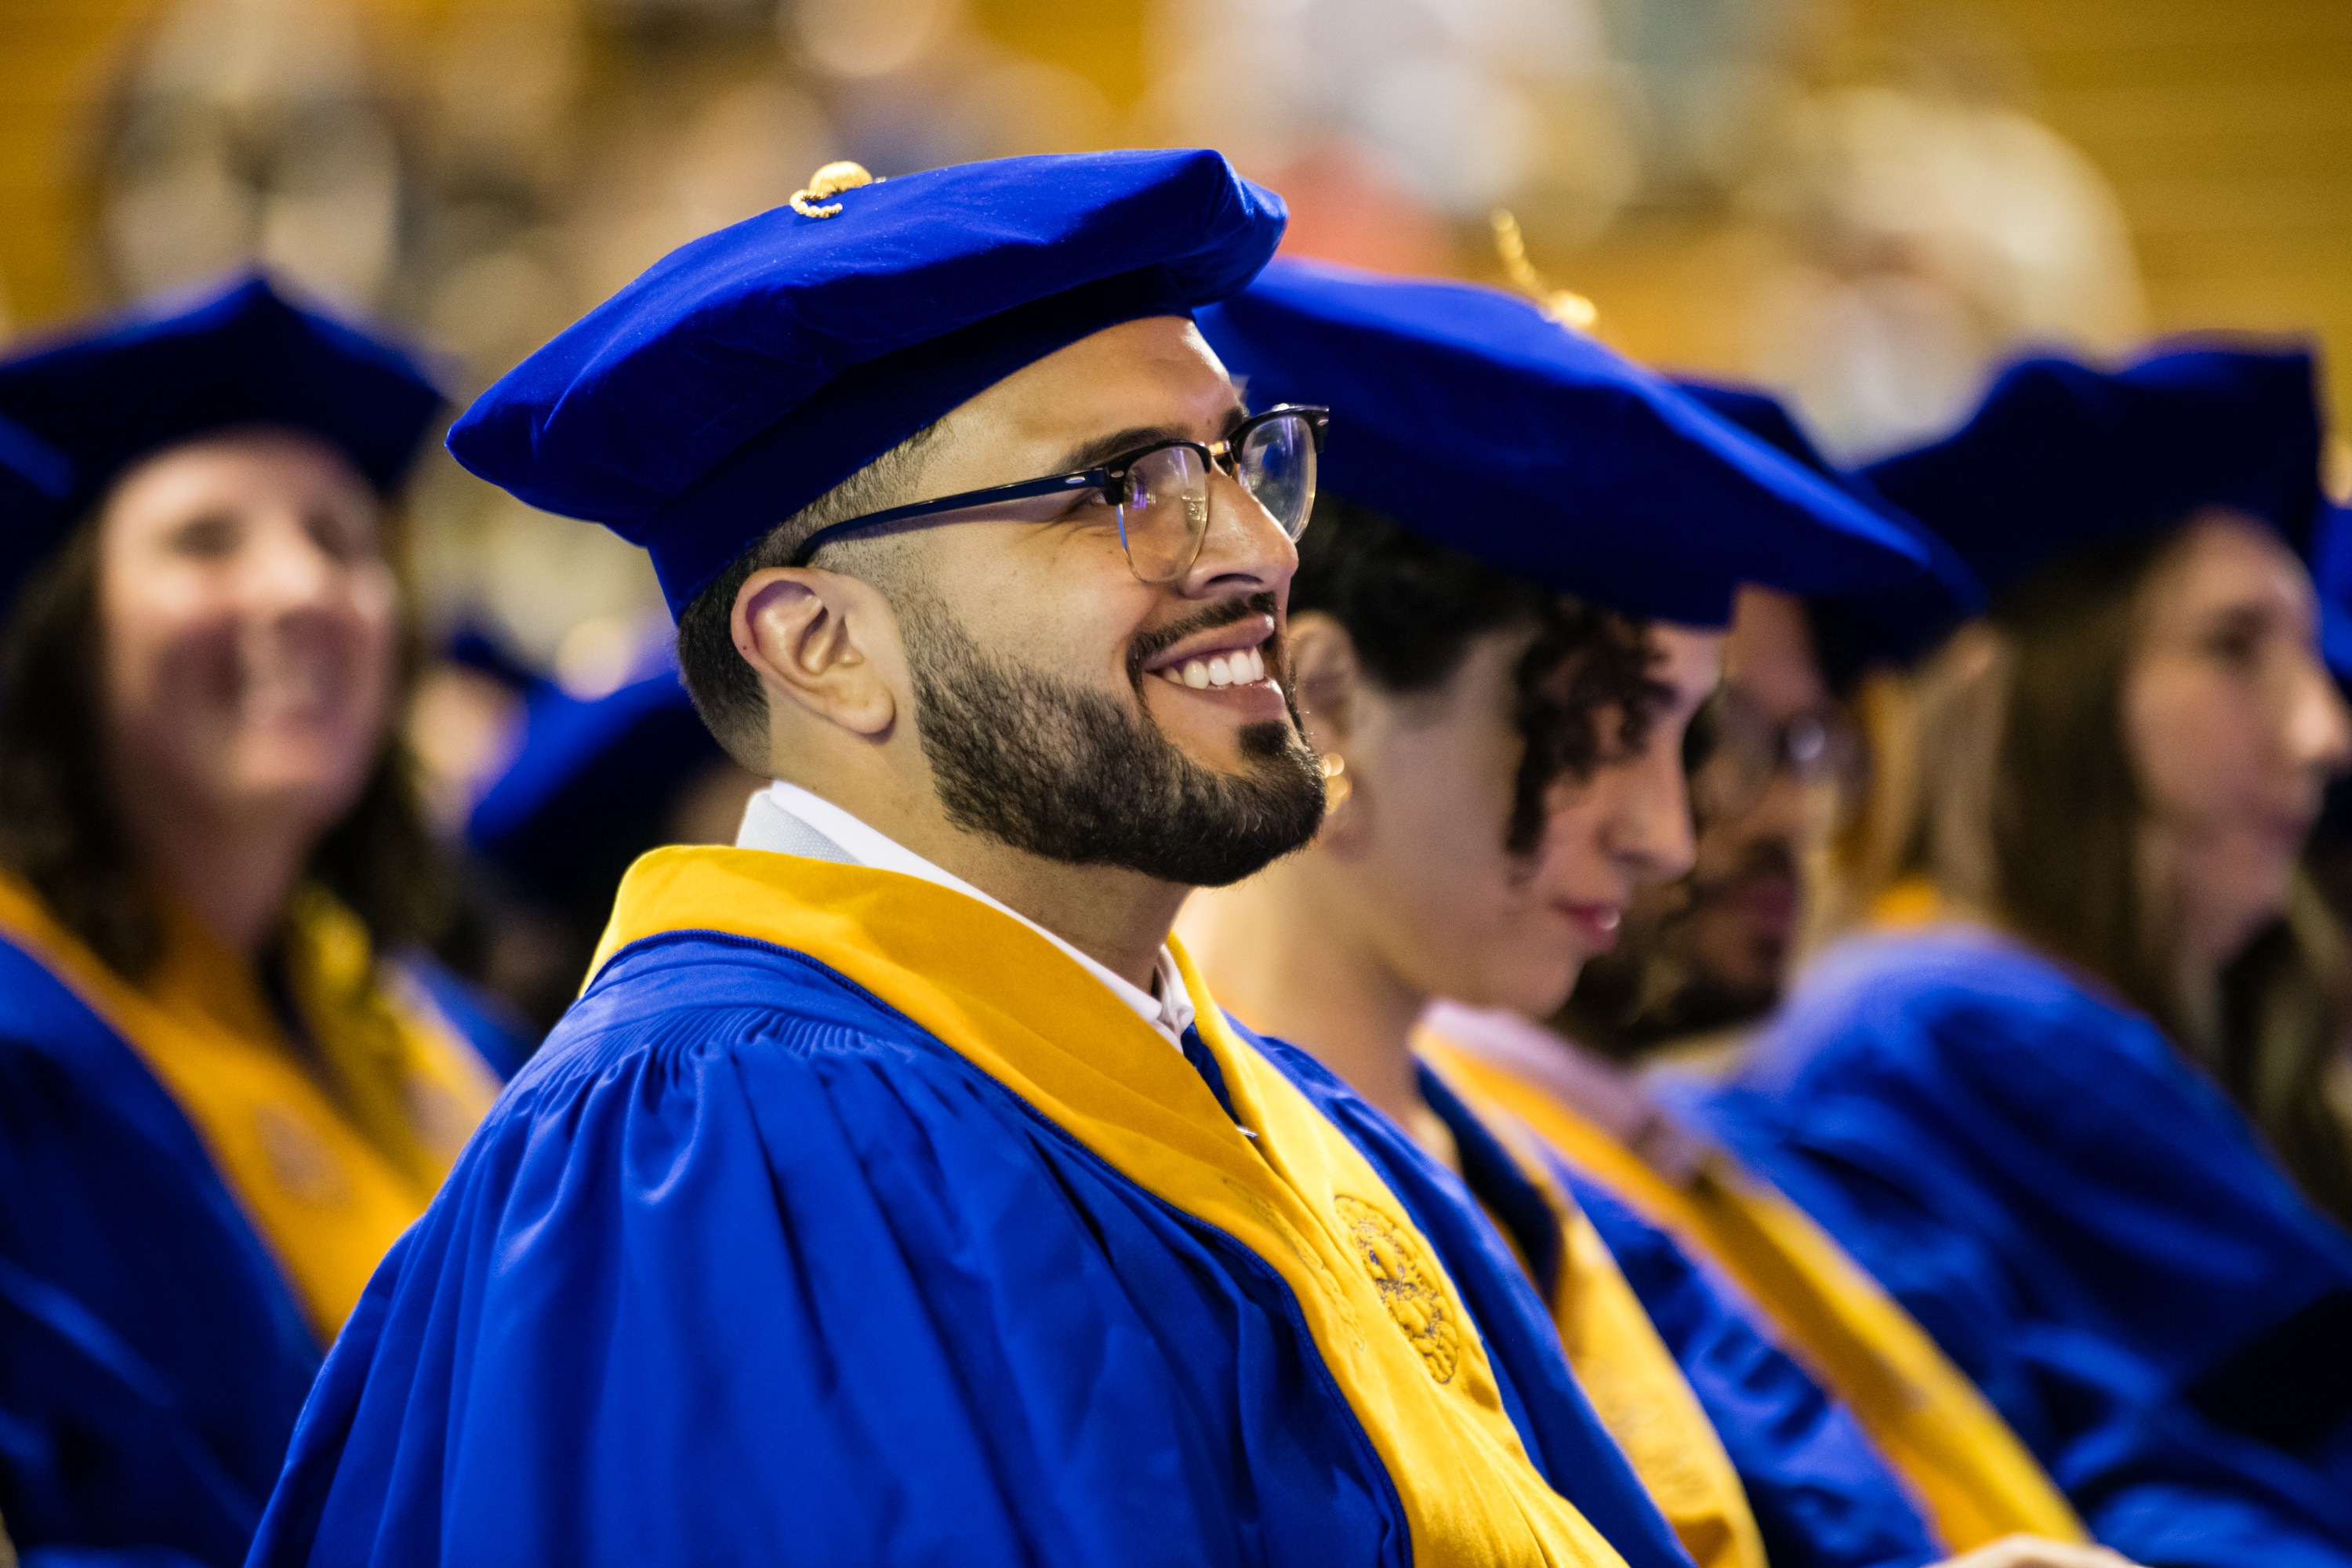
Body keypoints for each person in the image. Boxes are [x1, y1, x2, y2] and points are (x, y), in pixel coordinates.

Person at [245, 147, 1871, 1566]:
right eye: (1125, 488)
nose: (1260, 549)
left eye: (1240, 457)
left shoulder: (1288, 1120)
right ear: (820, 647)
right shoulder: (720, 1158)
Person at [1179, 263, 2118, 1568]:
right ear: (1327, 703)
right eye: (1608, 727)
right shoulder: (1175, 1193)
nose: (1666, 835)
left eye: (1686, 740)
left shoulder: (1524, 1178)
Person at [1673, 347, 2352, 1566]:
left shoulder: (1997, 1009)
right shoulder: (1954, 1020)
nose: (2321, 732)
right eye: (2233, 647)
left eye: (2309, 655)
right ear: (2031, 691)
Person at [1429, 383, 2110, 1559]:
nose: (1792, 812)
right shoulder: (1464, 1185)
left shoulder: (1738, 1152)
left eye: (1806, 744)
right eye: (1708, 736)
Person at [0, 274, 532, 1567]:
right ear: (64, 626)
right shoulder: (23, 1046)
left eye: (342, 542)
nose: (300, 588)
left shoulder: (447, 1039)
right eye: (205, 541)